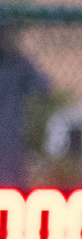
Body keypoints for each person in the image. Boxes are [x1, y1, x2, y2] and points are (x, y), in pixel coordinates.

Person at [0, 21, 50, 188]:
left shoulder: (17, 63)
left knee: (11, 189)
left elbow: (44, 88)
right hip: (9, 142)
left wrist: (22, 58)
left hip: (9, 142)